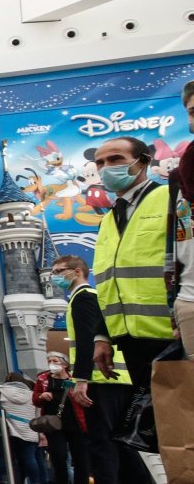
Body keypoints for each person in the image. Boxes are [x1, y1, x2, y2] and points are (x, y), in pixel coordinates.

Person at [49, 254, 148, 484]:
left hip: (100, 378)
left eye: (59, 271)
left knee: (101, 442)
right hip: (117, 378)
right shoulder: (94, 297)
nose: (54, 277)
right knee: (121, 442)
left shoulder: (82, 298)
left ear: (77, 272)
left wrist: (81, 379)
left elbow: (87, 340)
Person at [91, 136, 178, 388]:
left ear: (144, 161)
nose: (106, 167)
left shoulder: (173, 197)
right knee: (154, 409)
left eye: (115, 159)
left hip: (174, 333)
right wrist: (102, 335)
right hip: (130, 339)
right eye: (100, 163)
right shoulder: (108, 220)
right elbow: (110, 284)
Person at [31, 352, 88, 484]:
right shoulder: (43, 379)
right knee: (58, 457)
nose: (51, 364)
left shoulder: (76, 379)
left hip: (76, 424)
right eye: (49, 361)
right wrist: (41, 396)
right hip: (53, 426)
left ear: (65, 364)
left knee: (81, 459)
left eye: (55, 361)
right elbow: (35, 400)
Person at [0, 373, 45, 484]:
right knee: (29, 458)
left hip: (7, 431)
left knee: (3, 457)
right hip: (29, 431)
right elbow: (37, 415)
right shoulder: (32, 395)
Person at [169, 80, 194, 357]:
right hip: (189, 300)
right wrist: (174, 305)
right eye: (193, 111)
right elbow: (176, 243)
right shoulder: (179, 177)